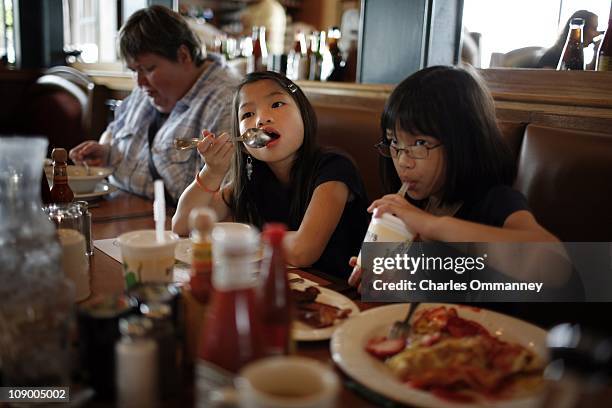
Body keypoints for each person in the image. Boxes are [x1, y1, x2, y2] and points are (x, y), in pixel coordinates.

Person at [348, 65, 575, 295]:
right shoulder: (418, 202)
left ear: (464, 143)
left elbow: (555, 267)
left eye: (420, 143)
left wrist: (429, 224)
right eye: (395, 142)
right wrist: (389, 279)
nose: (403, 161)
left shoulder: (495, 202)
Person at [172, 71, 369, 277]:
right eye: (247, 114)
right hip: (283, 287)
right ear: (245, 145)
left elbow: (303, 251)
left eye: (276, 104)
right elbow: (183, 226)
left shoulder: (334, 168)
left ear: (304, 114)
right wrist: (212, 171)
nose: (261, 119)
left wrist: (245, 238)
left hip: (349, 293)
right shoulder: (253, 177)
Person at [69, 5, 239, 204]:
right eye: (134, 70)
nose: (140, 82)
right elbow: (114, 131)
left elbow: (223, 201)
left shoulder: (226, 101)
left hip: (169, 226)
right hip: (119, 210)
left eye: (149, 68)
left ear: (183, 56)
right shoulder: (148, 89)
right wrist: (106, 152)